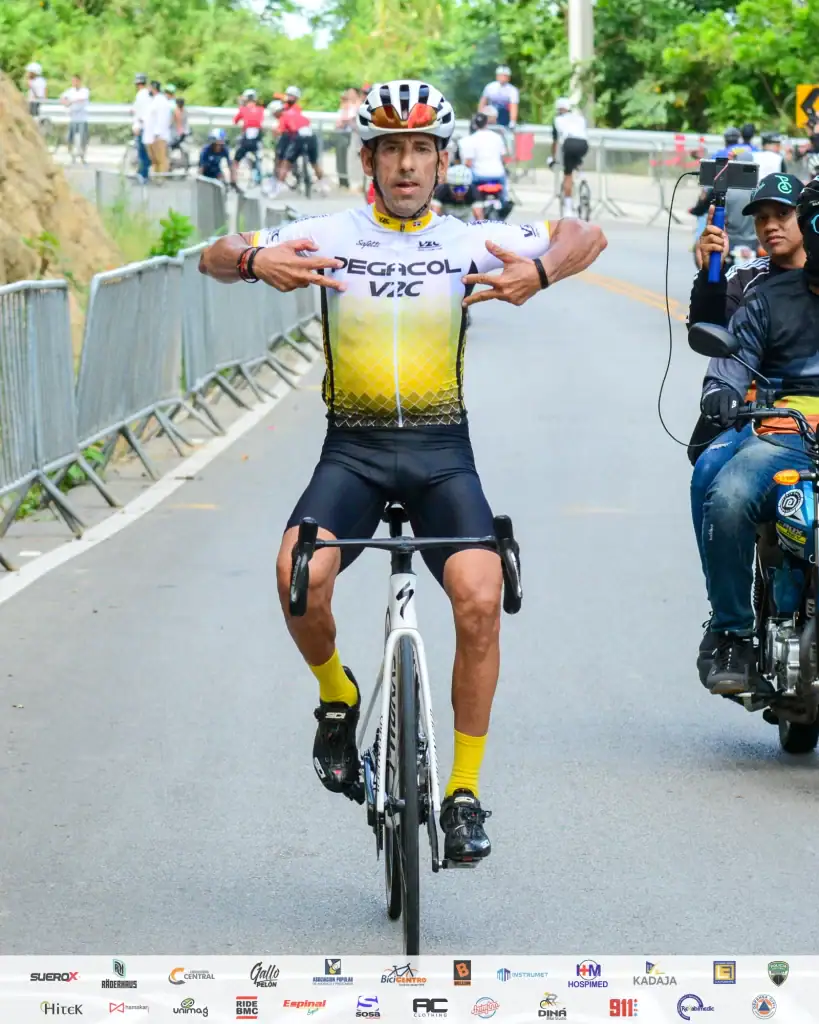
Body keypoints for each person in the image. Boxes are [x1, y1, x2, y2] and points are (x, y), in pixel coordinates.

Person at [198, 79, 606, 862]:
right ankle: (337, 699)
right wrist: (252, 260)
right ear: (369, 161)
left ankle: (462, 794)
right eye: (392, 150)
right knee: (297, 574)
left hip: (439, 451)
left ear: (442, 161)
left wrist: (542, 272)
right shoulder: (326, 233)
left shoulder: (468, 242)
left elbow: (583, 232)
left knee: (480, 601)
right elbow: (211, 257)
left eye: (421, 149)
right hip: (350, 449)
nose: (407, 164)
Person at [695, 176, 819, 694]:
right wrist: (719, 393)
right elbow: (731, 358)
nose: (772, 226)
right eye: (762, 217)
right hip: (784, 429)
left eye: (782, 216)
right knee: (724, 493)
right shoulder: (762, 292)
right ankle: (732, 632)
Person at [273, 86, 328, 195]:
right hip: (310, 134)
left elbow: (281, 130)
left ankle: (277, 188)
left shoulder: (285, 114)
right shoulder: (297, 111)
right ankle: (323, 185)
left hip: (297, 137)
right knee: (314, 162)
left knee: (286, 163)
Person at [549, 97, 589, 218]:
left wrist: (553, 158)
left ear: (559, 109)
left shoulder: (557, 120)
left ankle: (568, 207)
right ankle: (581, 175)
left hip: (569, 143)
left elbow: (555, 142)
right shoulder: (580, 118)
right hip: (584, 144)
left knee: (567, 174)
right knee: (576, 158)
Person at [459, 111, 509, 202]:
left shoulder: (469, 140)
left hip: (479, 176)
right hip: (498, 175)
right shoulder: (497, 137)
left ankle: (470, 202)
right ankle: (505, 200)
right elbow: (503, 159)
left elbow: (468, 163)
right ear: (486, 123)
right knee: (505, 183)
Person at [232, 88, 265, 184]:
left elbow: (235, 121)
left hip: (246, 138)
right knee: (257, 156)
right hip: (257, 137)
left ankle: (233, 179)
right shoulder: (261, 109)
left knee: (236, 159)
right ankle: (258, 177)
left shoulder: (243, 109)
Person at [143, 80, 173, 174]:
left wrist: (157, 133)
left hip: (158, 136)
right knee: (153, 159)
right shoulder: (153, 100)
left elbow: (162, 118)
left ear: (154, 88)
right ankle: (156, 176)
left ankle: (161, 178)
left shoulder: (161, 101)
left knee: (161, 158)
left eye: (150, 88)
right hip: (151, 135)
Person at [60, 73, 90, 162]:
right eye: (73, 81)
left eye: (76, 81)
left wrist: (71, 101)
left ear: (79, 81)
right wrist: (66, 103)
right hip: (72, 117)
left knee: (83, 138)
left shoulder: (84, 91)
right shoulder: (70, 91)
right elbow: (62, 98)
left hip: (82, 118)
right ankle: (71, 154)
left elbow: (82, 99)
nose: (74, 83)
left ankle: (82, 155)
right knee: (70, 138)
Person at [479, 65, 519, 130]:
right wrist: (480, 117)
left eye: (505, 76)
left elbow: (514, 106)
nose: (503, 78)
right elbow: (482, 103)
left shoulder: (512, 90)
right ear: (497, 76)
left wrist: (513, 121)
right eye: (501, 75)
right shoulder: (490, 87)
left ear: (509, 78)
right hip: (491, 114)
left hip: (504, 115)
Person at [131, 72, 152, 183]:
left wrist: (137, 126)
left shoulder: (140, 95)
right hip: (149, 127)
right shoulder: (149, 94)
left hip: (141, 126)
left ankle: (142, 175)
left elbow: (139, 112)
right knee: (146, 152)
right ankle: (144, 173)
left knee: (142, 152)